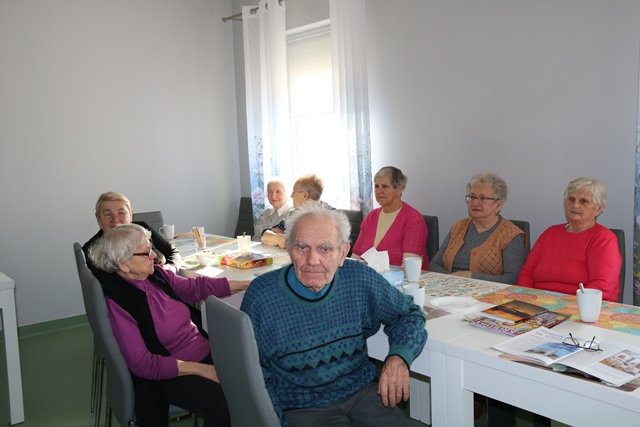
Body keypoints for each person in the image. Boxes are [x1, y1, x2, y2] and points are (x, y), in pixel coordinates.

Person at [241, 203, 427, 427]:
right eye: (302, 247)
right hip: (301, 407)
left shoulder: (359, 279)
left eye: (325, 249)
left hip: (363, 394)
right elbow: (252, 376)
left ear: (343, 253)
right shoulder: (262, 297)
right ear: (289, 249)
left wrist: (399, 357)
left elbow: (408, 314)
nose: (313, 260)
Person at [88, 223, 250, 427]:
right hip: (168, 373)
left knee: (255, 379)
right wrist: (201, 370)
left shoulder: (156, 275)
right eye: (146, 253)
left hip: (202, 350)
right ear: (124, 264)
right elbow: (143, 364)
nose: (154, 256)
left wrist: (246, 284)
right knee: (225, 404)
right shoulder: (118, 303)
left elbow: (197, 287)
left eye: (151, 249)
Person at [518, 176, 621, 302]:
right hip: (536, 303)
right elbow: (527, 273)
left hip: (580, 306)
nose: (575, 205)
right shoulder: (550, 233)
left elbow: (601, 288)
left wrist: (558, 306)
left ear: (598, 208)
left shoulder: (604, 239)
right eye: (571, 199)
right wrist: (526, 299)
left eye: (583, 201)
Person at [428, 172, 527, 284]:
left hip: (489, 292)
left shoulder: (511, 236)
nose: (475, 203)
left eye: (483, 198)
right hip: (449, 287)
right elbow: (434, 264)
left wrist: (472, 277)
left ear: (498, 205)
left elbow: (512, 280)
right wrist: (452, 279)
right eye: (472, 197)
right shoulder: (459, 226)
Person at [83, 191, 182, 273]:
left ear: (131, 215)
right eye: (108, 214)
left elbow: (172, 251)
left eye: (121, 213)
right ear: (98, 218)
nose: (115, 220)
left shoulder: (142, 228)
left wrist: (172, 267)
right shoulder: (92, 251)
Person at [352, 166, 429, 270]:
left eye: (385, 186)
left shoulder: (413, 219)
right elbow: (356, 257)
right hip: (368, 277)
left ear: (399, 189)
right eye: (376, 186)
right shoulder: (370, 217)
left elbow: (410, 269)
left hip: (400, 279)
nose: (379, 191)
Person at [261, 174, 326, 248]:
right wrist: (278, 238)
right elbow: (264, 236)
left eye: (294, 192)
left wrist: (285, 237)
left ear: (305, 195)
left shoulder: (328, 217)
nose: (291, 196)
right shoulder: (295, 214)